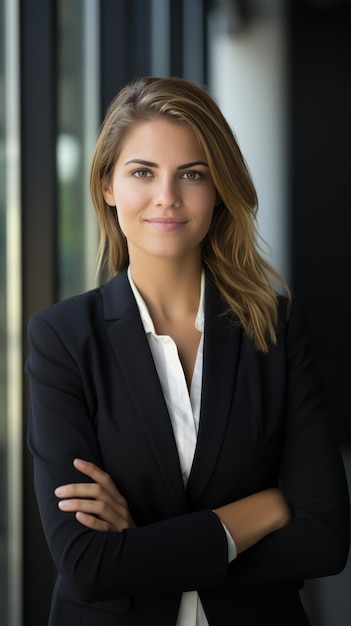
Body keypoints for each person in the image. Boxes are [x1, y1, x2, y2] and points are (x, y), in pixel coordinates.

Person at [25, 76, 350, 626]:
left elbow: (324, 538)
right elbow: (86, 565)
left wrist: (143, 550)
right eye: (142, 172)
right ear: (107, 185)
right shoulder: (62, 338)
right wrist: (265, 509)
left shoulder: (274, 327)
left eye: (192, 174)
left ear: (219, 187)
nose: (167, 197)